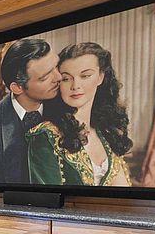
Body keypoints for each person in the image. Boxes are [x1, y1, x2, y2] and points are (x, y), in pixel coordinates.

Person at [26, 42, 132, 186]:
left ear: (100, 77)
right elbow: (46, 196)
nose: (75, 86)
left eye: (85, 76)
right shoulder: (45, 135)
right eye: (66, 78)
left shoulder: (105, 133)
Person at [0, 38, 61, 183]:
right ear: (17, 88)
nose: (59, 77)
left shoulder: (68, 103)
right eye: (45, 77)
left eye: (57, 66)